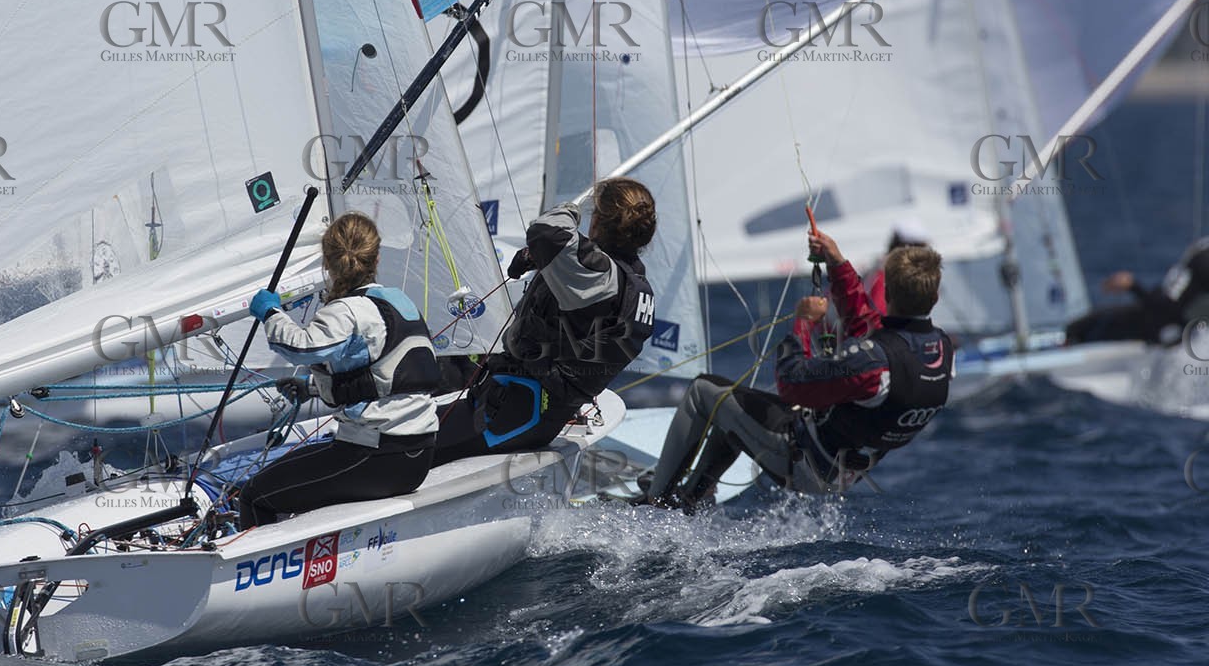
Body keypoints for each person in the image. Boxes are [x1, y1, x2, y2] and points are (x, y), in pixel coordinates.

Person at [642, 227, 952, 511]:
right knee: (734, 409)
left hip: (805, 463)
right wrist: (837, 263)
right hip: (845, 468)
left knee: (703, 391)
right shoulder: (940, 350)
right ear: (935, 298)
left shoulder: (872, 364)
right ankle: (689, 499)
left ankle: (657, 501)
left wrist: (803, 322)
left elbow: (792, 382)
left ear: (889, 294)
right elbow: (868, 327)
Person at [432, 177, 658, 465]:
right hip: (534, 413)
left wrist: (574, 206)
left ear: (600, 220)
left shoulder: (598, 273)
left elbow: (546, 231)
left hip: (510, 413)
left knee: (398, 446)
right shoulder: (630, 281)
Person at [236, 212, 442, 528]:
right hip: (418, 455)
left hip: (375, 457)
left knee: (254, 494)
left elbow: (302, 346)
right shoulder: (399, 302)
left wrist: (271, 313)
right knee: (301, 476)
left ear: (327, 262)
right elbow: (380, 375)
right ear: (377, 257)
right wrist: (313, 388)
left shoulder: (346, 310)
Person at [1064, 238, 1209, 346]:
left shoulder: (1202, 251)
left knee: (1078, 330)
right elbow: (1165, 307)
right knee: (1078, 328)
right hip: (1156, 319)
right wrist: (1133, 286)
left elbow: (1166, 309)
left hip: (1163, 327)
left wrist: (1132, 285)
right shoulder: (1202, 253)